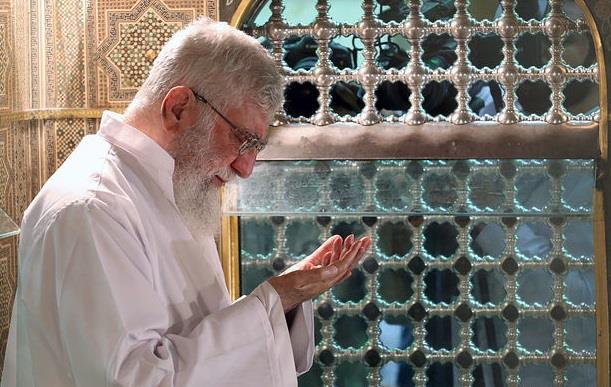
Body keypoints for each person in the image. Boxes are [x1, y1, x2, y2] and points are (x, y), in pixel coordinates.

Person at [1, 17, 371, 387]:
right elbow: (136, 380)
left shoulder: (174, 186)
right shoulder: (93, 208)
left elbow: (196, 339)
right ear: (179, 107)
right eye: (242, 140)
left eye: (256, 148)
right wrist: (271, 301)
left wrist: (286, 299)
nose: (245, 168)